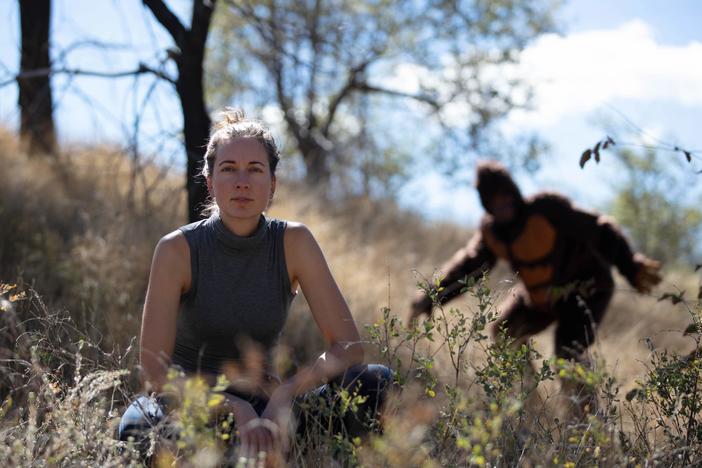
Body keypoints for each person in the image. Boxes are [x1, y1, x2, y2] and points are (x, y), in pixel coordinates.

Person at [118, 109, 391, 463]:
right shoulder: (177, 249)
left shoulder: (293, 242)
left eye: (255, 170)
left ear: (272, 184)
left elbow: (349, 347)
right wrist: (231, 407)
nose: (242, 182)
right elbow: (154, 372)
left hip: (267, 407)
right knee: (139, 429)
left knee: (373, 382)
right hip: (190, 405)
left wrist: (285, 396)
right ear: (210, 179)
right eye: (229, 168)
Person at [410, 161, 661, 413]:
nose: (502, 205)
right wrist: (431, 296)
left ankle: (587, 424)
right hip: (540, 298)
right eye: (494, 201)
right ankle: (530, 406)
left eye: (505, 196)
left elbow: (601, 229)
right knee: (505, 332)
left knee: (568, 353)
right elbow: (469, 267)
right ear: (486, 204)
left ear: (514, 193)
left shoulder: (546, 209)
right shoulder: (492, 233)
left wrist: (630, 266)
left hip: (586, 290)